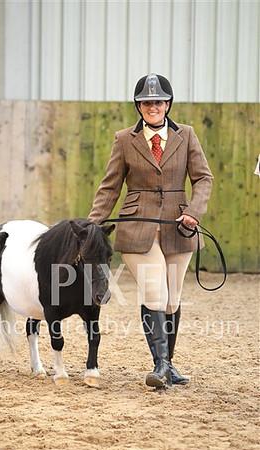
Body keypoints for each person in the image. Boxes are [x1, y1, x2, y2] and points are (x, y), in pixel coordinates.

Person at [88, 73, 213, 388]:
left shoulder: (186, 135)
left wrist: (194, 213)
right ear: (138, 106)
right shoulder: (124, 139)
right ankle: (159, 367)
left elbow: (203, 178)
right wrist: (92, 223)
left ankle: (168, 365)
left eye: (158, 101)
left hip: (178, 225)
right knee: (155, 290)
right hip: (137, 226)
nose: (153, 107)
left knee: (172, 298)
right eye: (146, 102)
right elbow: (110, 186)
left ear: (167, 104)